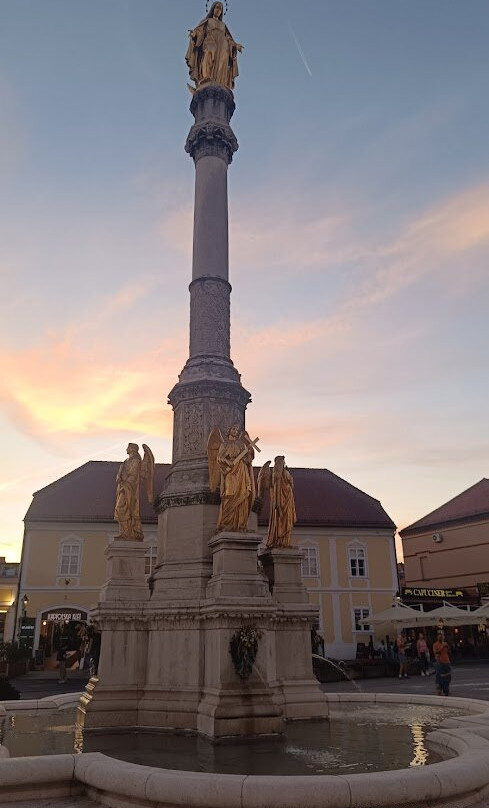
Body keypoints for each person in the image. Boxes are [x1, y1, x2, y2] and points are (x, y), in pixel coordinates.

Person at [186, 2, 244, 91]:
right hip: (210, 39)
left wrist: (235, 45)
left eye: (220, 9)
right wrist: (194, 34)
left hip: (223, 44)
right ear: (213, 9)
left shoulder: (223, 25)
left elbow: (228, 38)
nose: (218, 10)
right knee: (209, 52)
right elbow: (200, 31)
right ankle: (206, 76)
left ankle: (220, 82)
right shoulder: (208, 21)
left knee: (222, 61)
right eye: (217, 7)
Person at [265, 456, 297, 548]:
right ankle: (282, 540)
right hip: (284, 499)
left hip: (286, 498)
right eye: (282, 462)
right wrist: (277, 501)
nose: (284, 464)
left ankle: (284, 541)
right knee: (283, 518)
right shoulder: (280, 474)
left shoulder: (279, 474)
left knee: (285, 519)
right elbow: (281, 486)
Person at [433, 631, 452, 696]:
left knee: (448, 677)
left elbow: (449, 652)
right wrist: (442, 647)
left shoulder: (445, 643)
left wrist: (448, 647)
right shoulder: (435, 644)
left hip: (447, 661)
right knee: (440, 677)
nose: (441, 637)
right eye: (440, 635)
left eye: (442, 635)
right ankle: (440, 689)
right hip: (440, 662)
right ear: (437, 637)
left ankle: (446, 689)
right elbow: (436, 653)